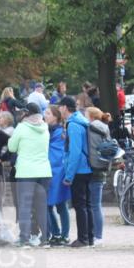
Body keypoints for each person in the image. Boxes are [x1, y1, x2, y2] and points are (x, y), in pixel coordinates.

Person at [8, 101, 51, 247]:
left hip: (26, 171)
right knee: (41, 206)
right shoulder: (45, 127)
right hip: (44, 171)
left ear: (27, 113)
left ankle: (24, 238)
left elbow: (12, 147)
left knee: (25, 206)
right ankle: (45, 239)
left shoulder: (21, 127)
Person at [58, 96, 93, 247]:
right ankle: (89, 237)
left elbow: (75, 152)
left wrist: (69, 175)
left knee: (80, 205)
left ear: (65, 107)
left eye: (60, 107)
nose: (59, 109)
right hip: (87, 167)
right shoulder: (81, 121)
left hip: (79, 170)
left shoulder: (73, 125)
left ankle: (83, 238)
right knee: (87, 205)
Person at [85, 106, 113, 245]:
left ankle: (96, 235)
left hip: (92, 168)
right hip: (102, 167)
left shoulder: (89, 128)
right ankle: (99, 236)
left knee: (92, 205)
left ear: (91, 116)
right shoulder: (105, 127)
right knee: (97, 205)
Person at [44, 105, 71, 246]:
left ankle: (65, 235)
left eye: (48, 113)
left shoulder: (60, 132)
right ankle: (55, 233)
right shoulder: (45, 131)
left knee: (60, 205)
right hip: (47, 170)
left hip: (57, 171)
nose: (45, 115)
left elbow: (58, 154)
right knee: (47, 205)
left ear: (55, 116)